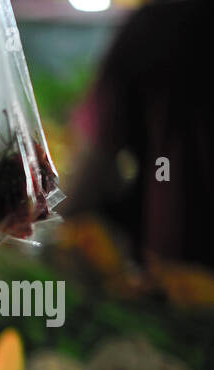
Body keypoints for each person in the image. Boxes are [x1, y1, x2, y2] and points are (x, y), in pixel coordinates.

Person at [66, 0, 214, 270]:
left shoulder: (153, 27)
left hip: (175, 273)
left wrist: (48, 223)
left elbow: (95, 167)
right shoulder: (154, 28)